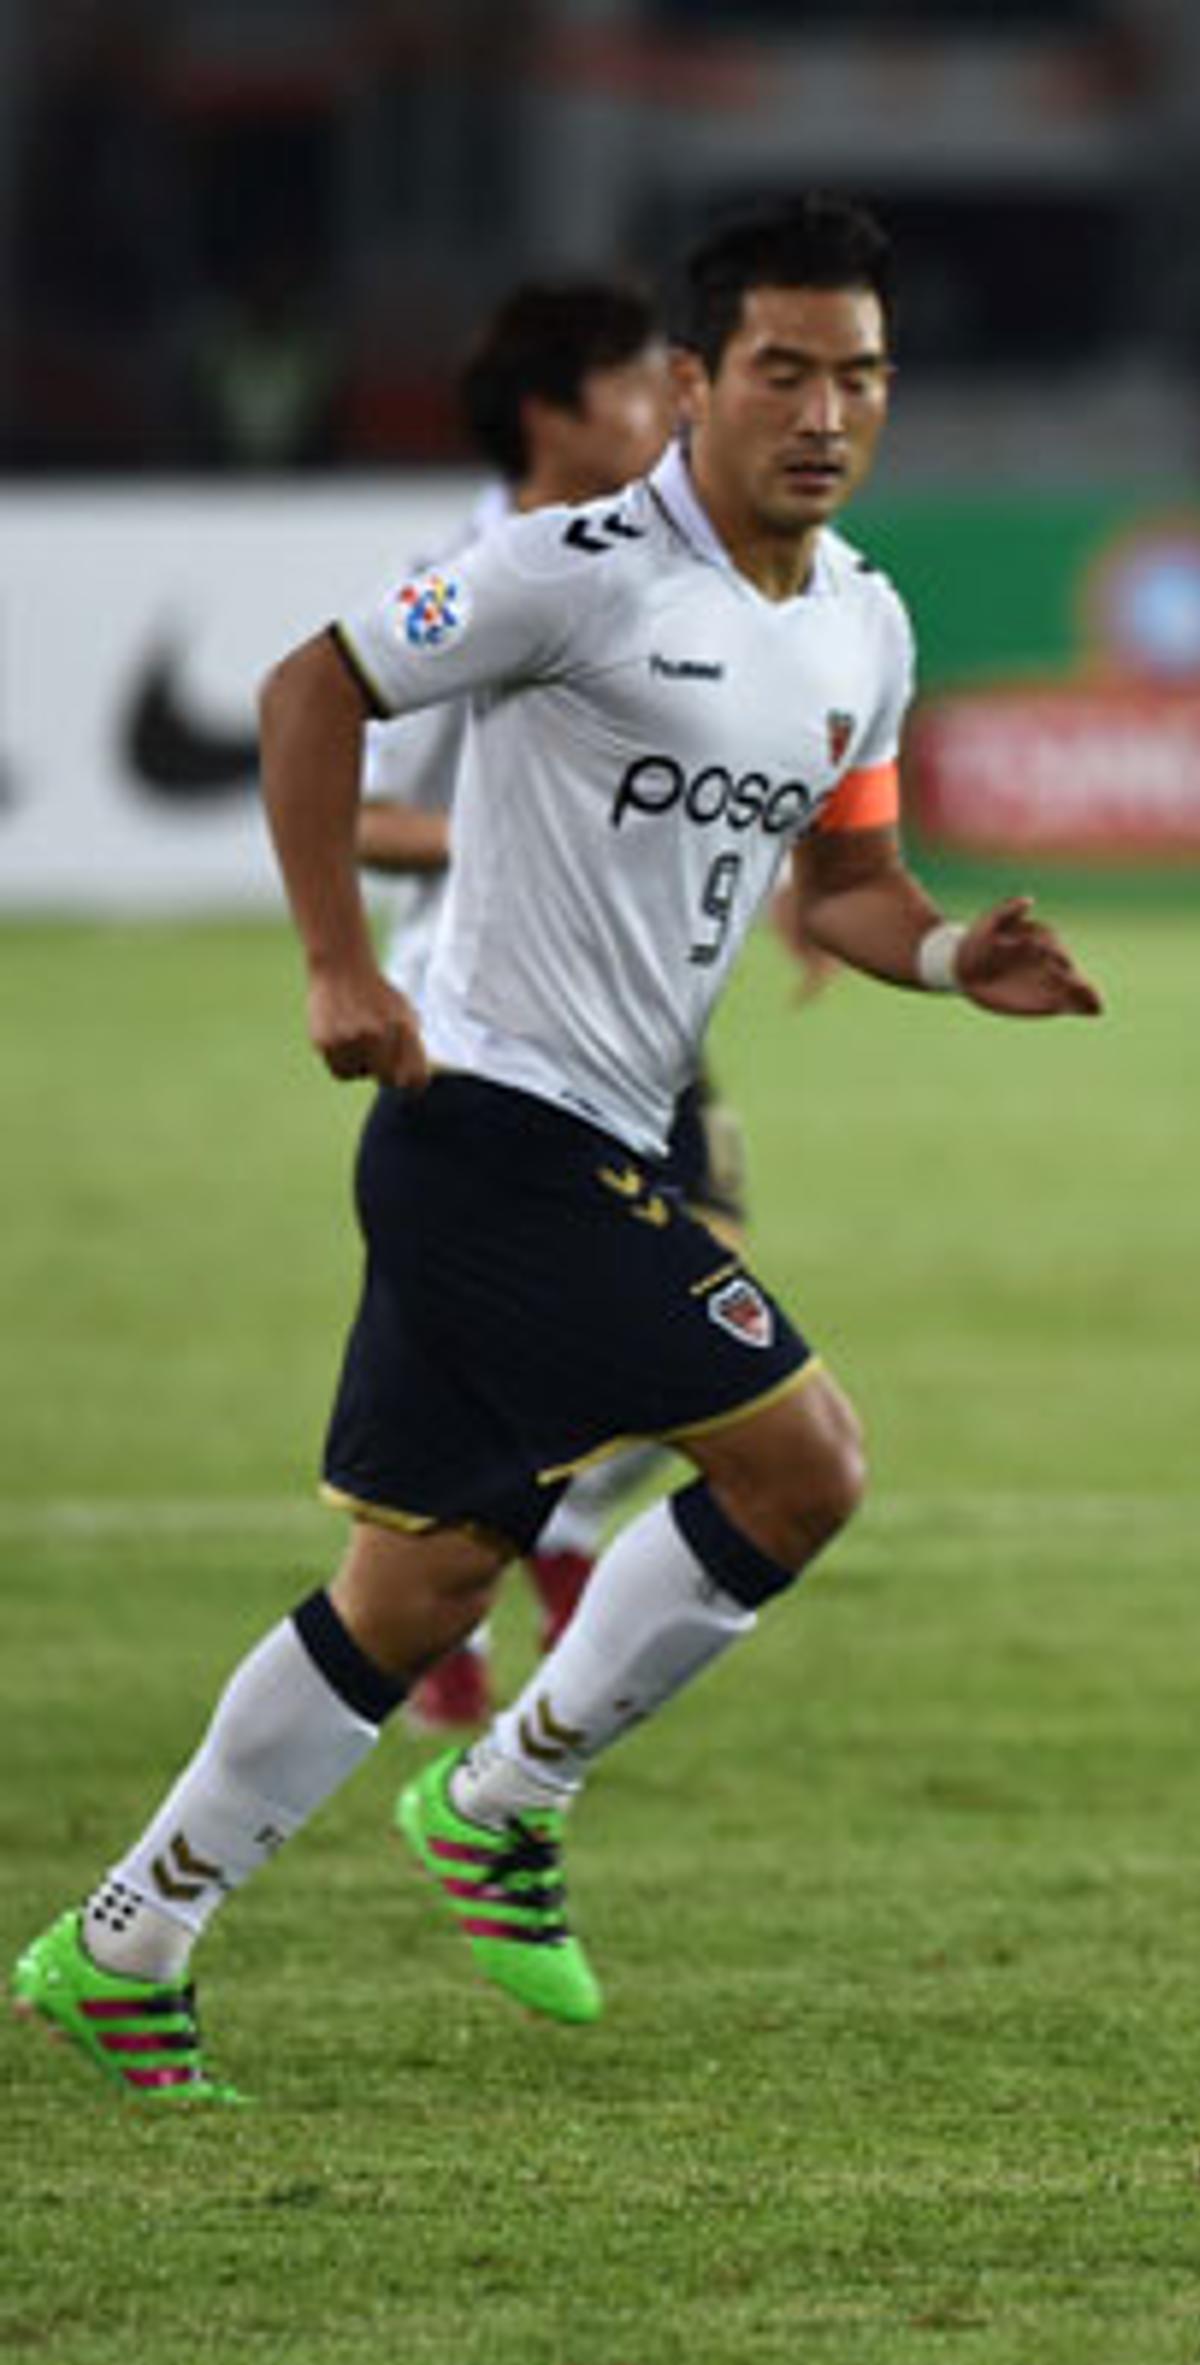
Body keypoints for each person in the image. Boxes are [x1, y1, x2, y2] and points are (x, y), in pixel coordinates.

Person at [11, 193, 1102, 2102]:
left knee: (415, 1588)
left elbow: (842, 882)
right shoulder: (571, 569)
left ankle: (128, 1939)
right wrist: (340, 967)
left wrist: (945, 954)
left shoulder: (865, 620)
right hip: (487, 1126)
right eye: (782, 369)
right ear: (693, 383)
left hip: (601, 1138)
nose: (825, 410)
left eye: (859, 373)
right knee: (803, 1467)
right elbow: (306, 689)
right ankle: (505, 1795)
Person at [357, 274, 695, 1731]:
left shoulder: (652, 571)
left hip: (629, 1004)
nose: (669, 410)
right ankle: (455, 1587)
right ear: (554, 413)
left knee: (677, 1277)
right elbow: (367, 807)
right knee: (624, 1319)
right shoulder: (478, 577)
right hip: (481, 1018)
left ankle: (522, 1540)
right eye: (634, 386)